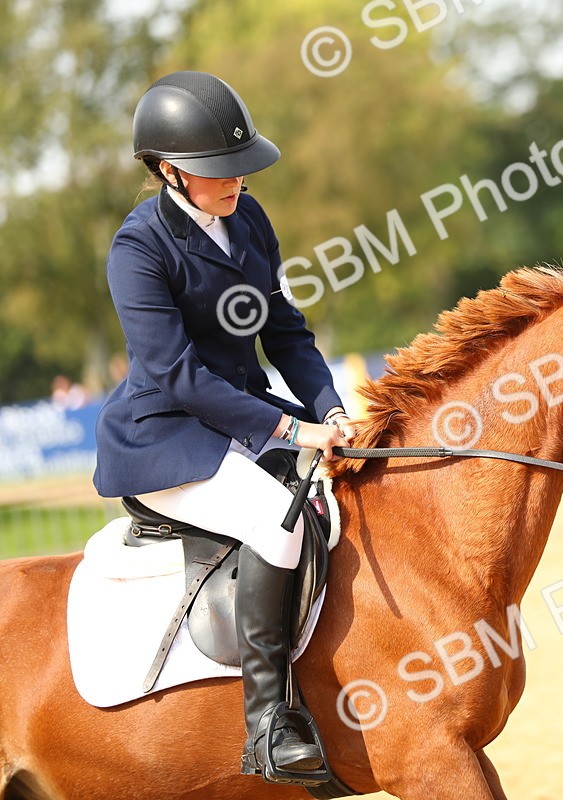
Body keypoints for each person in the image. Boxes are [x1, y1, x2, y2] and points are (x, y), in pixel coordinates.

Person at [92, 70, 356, 781]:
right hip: (164, 440)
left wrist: (327, 407)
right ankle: (268, 724)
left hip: (237, 425)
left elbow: (288, 333)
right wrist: (286, 428)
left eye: (241, 166)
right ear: (169, 171)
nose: (236, 180)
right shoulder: (138, 249)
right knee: (279, 517)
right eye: (218, 171)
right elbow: (177, 374)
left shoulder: (250, 220)